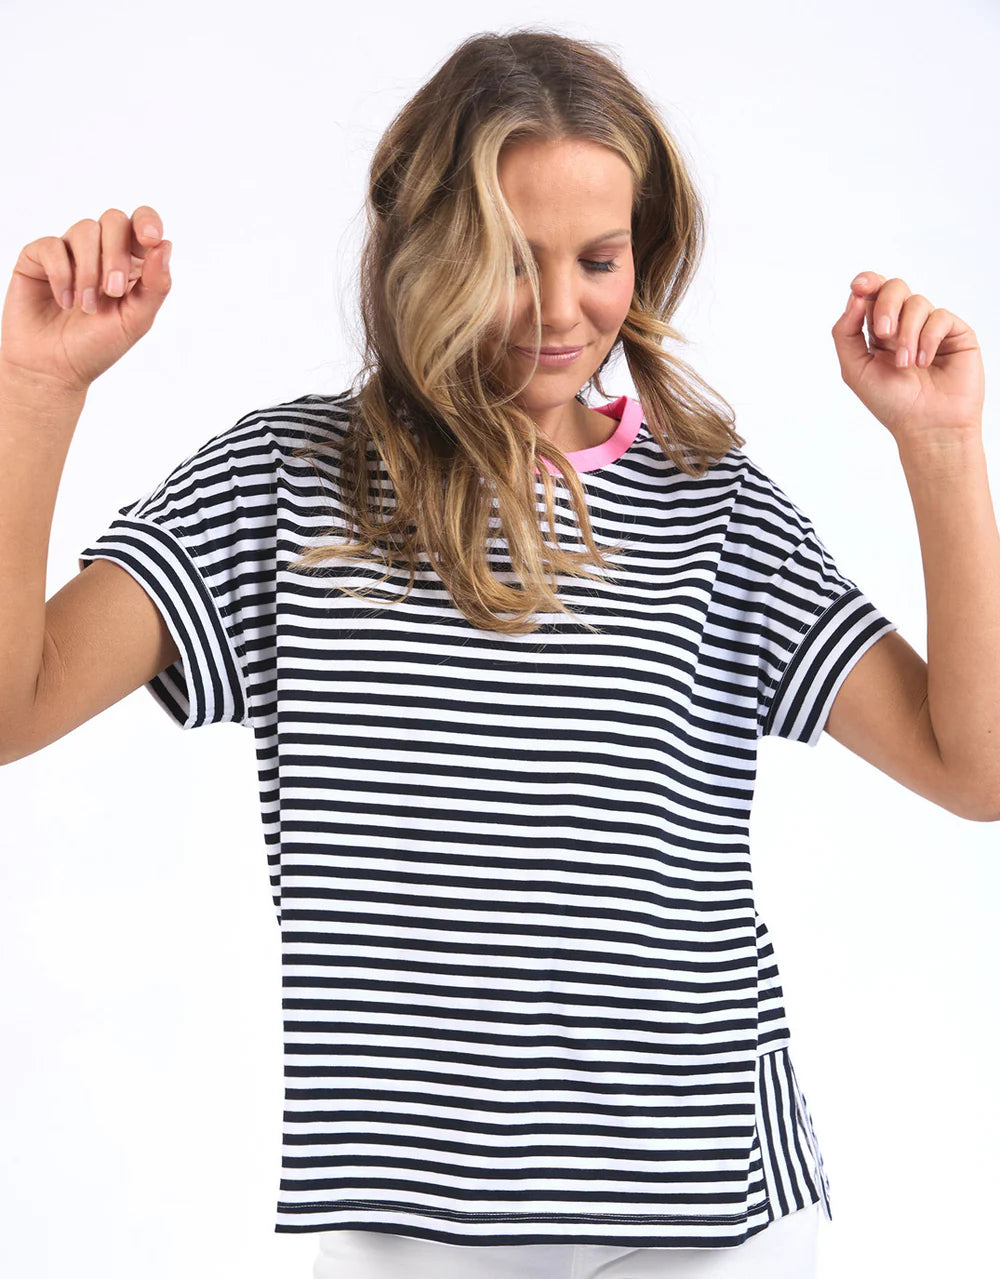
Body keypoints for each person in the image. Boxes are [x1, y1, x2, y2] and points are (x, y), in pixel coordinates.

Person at [0, 24, 994, 1279]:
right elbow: (13, 703)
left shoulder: (714, 507)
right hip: (405, 1220)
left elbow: (975, 767)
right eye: (510, 261)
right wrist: (37, 392)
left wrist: (943, 446)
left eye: (599, 257)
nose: (564, 308)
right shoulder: (290, 485)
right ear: (425, 247)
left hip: (706, 1211)